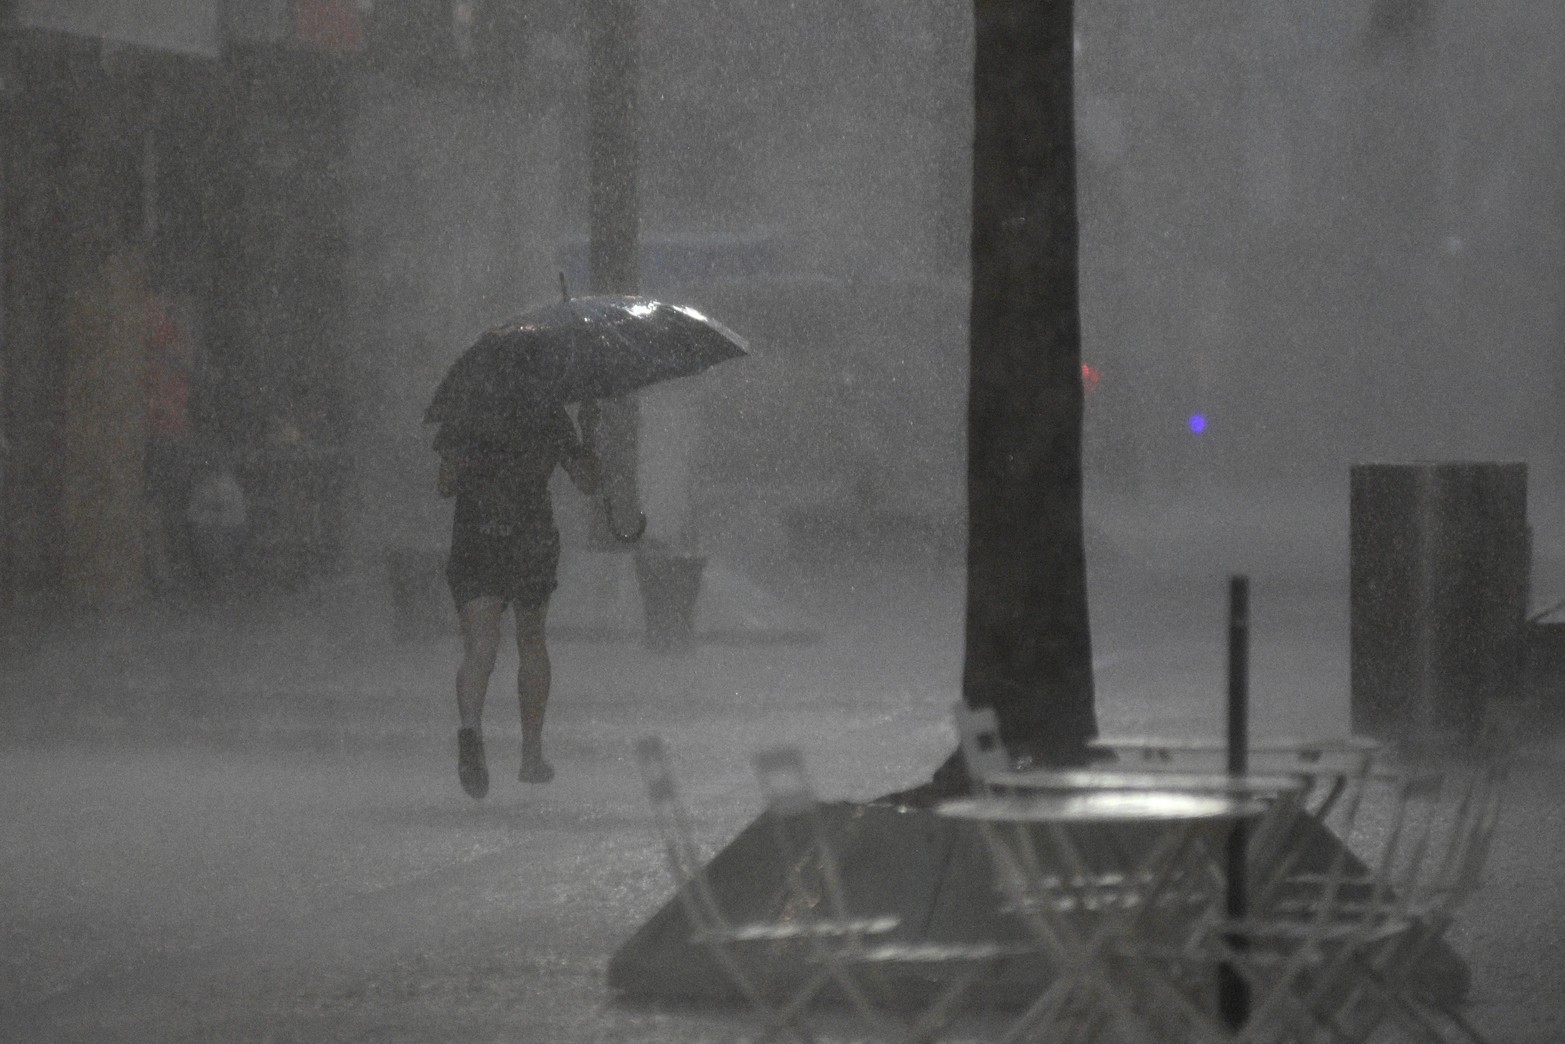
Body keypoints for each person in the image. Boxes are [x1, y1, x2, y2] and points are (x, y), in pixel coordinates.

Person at [435, 401, 603, 798]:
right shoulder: (547, 412)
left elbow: (445, 485)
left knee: (480, 645)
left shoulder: (468, 410)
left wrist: (470, 457)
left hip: (478, 531)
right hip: (530, 534)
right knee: (531, 640)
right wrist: (589, 432)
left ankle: (471, 730)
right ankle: (530, 755)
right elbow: (587, 481)